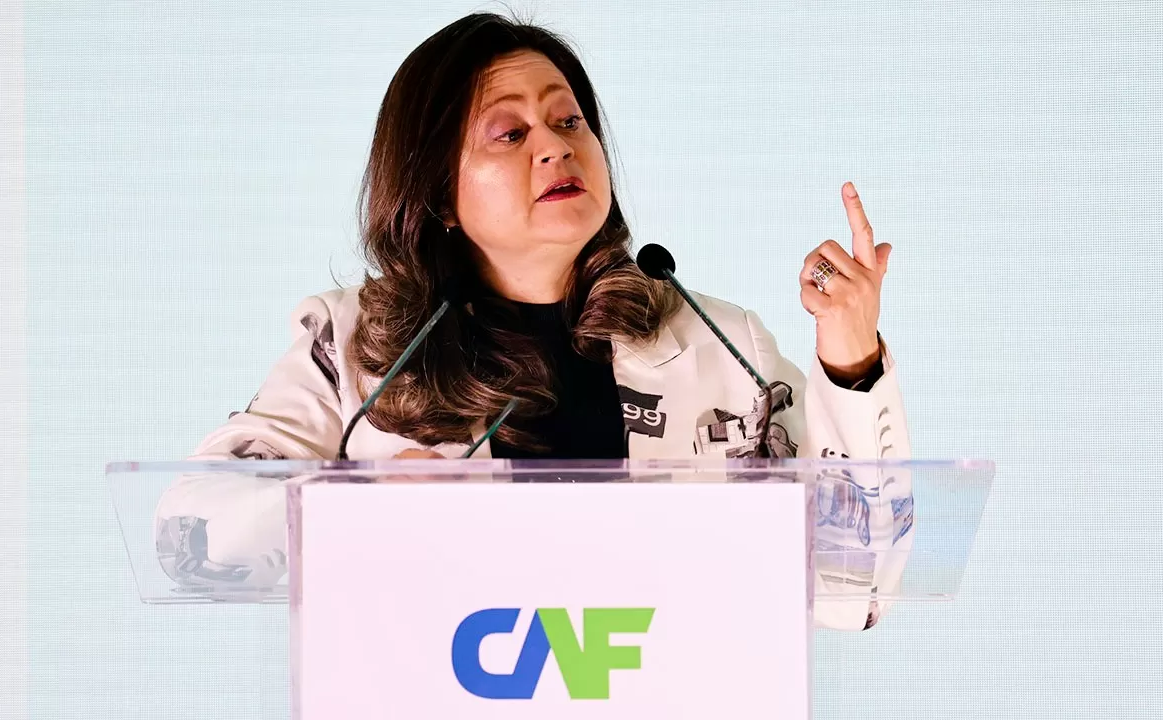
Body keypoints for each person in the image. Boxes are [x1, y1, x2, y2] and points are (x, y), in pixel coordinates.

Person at [154, 13, 911, 630]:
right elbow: (188, 536)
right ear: (439, 196)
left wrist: (851, 360)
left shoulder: (718, 345)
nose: (555, 145)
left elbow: (855, 592)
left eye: (569, 120)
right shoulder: (355, 347)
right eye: (510, 134)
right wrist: (350, 506)